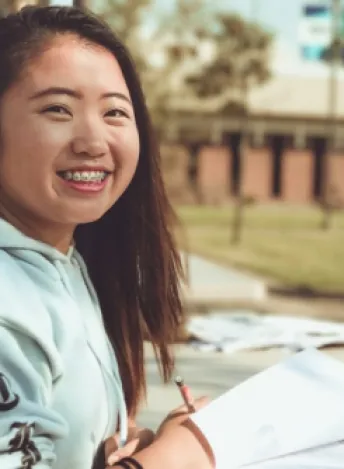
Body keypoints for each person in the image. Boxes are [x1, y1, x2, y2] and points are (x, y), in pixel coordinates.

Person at [0, 6, 214, 469]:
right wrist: (181, 456)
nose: (93, 141)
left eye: (115, 111)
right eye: (58, 109)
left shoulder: (65, 261)